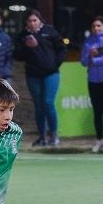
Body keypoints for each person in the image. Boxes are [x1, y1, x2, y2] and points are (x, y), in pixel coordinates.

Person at [14, 9, 66, 147]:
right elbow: (17, 55)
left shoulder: (50, 31)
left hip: (51, 73)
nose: (32, 23)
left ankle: (54, 135)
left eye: (34, 20)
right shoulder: (23, 36)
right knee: (38, 106)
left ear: (40, 21)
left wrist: (55, 63)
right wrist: (27, 47)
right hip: (33, 75)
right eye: (29, 21)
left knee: (48, 102)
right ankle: (42, 136)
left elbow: (61, 48)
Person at [80, 15, 103, 153]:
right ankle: (99, 139)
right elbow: (83, 61)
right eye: (94, 26)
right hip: (93, 81)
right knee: (97, 112)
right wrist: (90, 56)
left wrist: (94, 60)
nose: (96, 28)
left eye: (99, 26)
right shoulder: (88, 41)